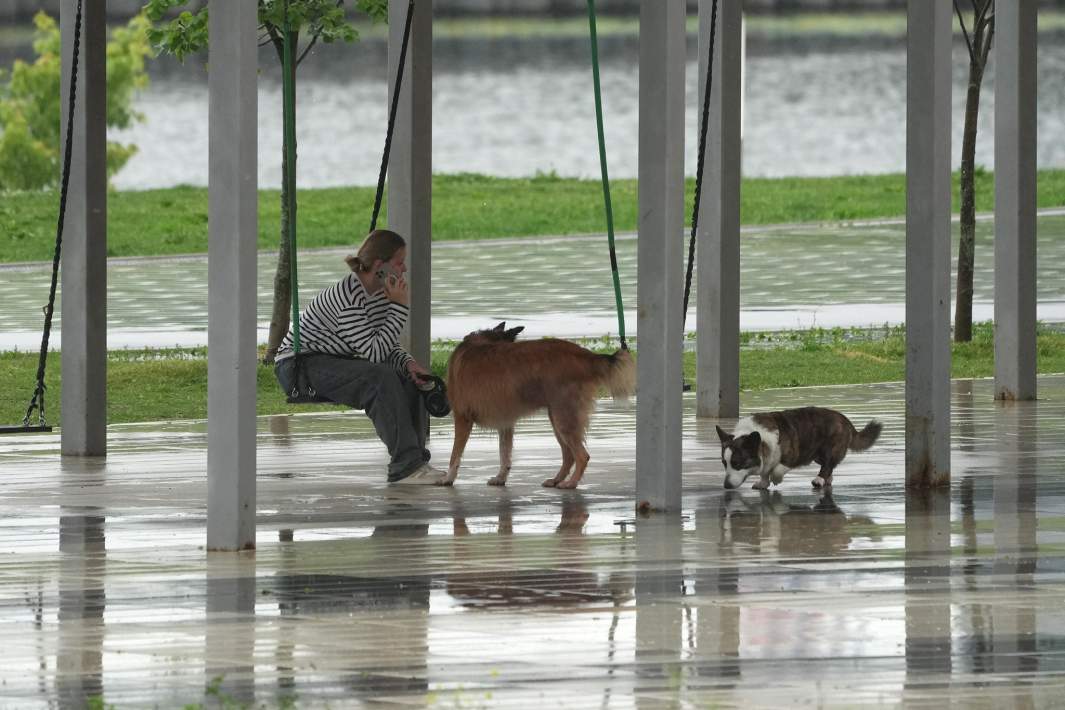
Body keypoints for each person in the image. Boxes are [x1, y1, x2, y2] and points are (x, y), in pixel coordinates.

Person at [274, 229, 446, 484]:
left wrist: (409, 363)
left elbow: (383, 344)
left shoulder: (379, 293)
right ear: (379, 265)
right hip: (298, 365)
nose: (405, 269)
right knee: (379, 378)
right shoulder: (347, 298)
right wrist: (400, 307)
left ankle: (415, 461)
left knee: (409, 378)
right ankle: (406, 466)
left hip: (331, 358)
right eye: (399, 263)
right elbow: (375, 354)